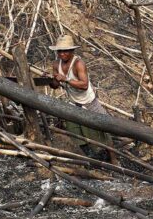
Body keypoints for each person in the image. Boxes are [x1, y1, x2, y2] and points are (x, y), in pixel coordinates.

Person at [49, 35, 118, 165]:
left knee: (104, 129)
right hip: (73, 103)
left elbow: (84, 85)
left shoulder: (78, 64)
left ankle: (114, 159)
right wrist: (54, 79)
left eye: (66, 51)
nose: (62, 54)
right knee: (75, 132)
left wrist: (66, 79)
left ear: (72, 51)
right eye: (60, 51)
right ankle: (90, 160)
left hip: (89, 102)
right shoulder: (55, 64)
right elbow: (55, 86)